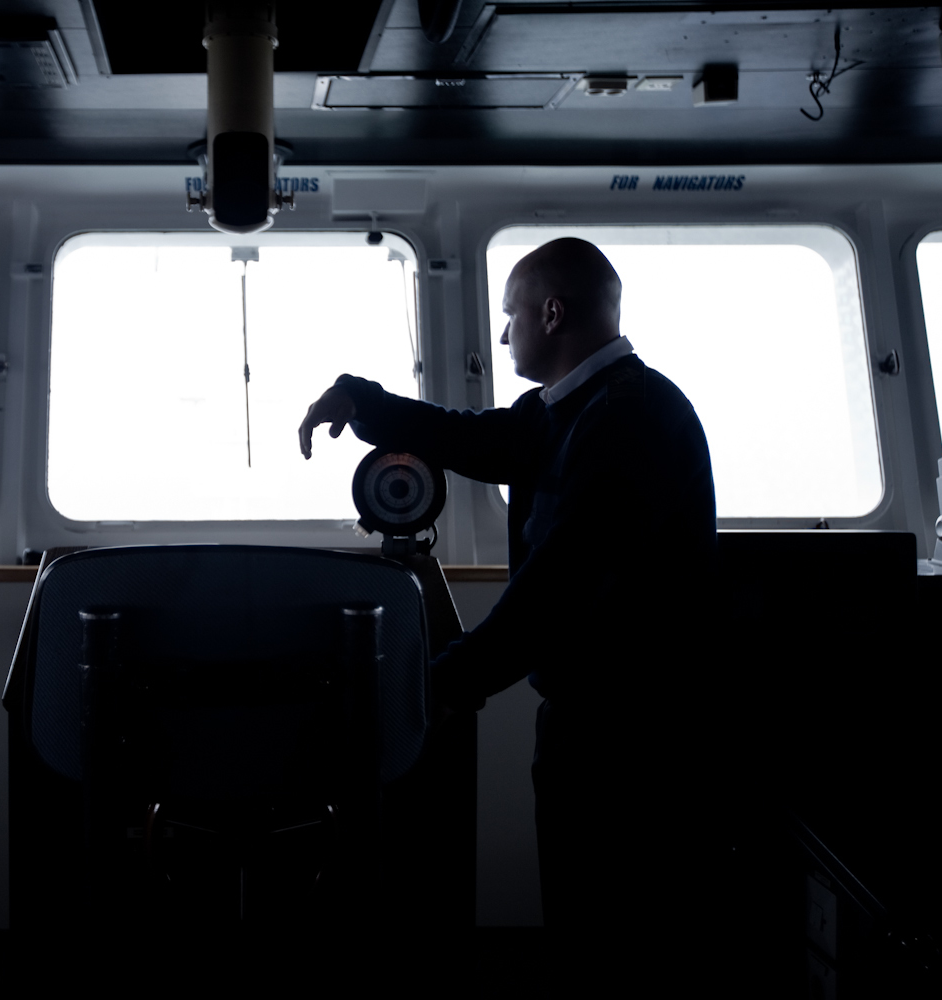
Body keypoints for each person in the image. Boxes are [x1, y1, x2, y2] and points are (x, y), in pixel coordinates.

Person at [298, 238, 720, 992]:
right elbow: (474, 438)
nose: (502, 335)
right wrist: (362, 400)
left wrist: (452, 683)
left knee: (621, 932)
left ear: (551, 313)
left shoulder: (632, 416)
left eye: (510, 316)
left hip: (638, 732)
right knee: (583, 920)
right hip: (591, 717)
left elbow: (563, 579)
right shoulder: (569, 411)